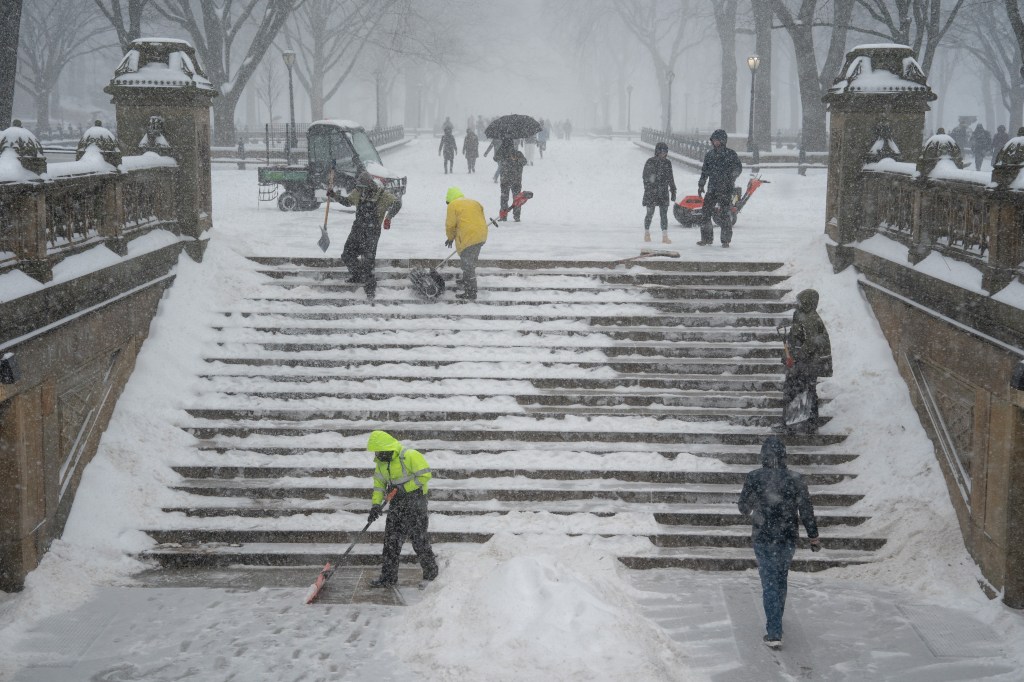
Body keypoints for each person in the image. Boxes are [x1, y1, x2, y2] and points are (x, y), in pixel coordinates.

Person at [738, 436, 821, 649]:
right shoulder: (795, 478)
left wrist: (756, 500)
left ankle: (774, 630)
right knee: (781, 578)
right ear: (784, 455)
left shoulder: (754, 477)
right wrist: (813, 535)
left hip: (763, 536)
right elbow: (806, 510)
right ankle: (777, 619)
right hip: (787, 536)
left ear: (762, 455)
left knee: (769, 582)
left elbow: (743, 508)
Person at [366, 430, 438, 587]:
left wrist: (406, 487)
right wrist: (376, 505)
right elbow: (379, 486)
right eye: (376, 452)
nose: (377, 454)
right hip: (397, 504)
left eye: (379, 451)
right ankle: (388, 578)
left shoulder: (409, 455)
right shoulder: (381, 464)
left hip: (416, 502)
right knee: (391, 542)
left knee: (419, 540)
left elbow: (425, 475)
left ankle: (432, 575)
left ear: (388, 448)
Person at [328, 171, 399, 301]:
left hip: (372, 231)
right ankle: (357, 275)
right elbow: (348, 201)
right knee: (347, 255)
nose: (360, 190)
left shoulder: (383, 195)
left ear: (369, 185)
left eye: (362, 188)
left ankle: (370, 287)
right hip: (357, 228)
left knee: (368, 260)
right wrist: (334, 196)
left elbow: (397, 203)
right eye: (359, 188)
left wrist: (388, 217)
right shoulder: (359, 192)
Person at [779, 289, 832, 434]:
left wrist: (795, 356)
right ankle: (805, 423)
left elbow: (812, 343)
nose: (798, 303)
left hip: (807, 364)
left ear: (808, 302)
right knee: (805, 391)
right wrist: (788, 355)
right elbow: (795, 338)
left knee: (796, 391)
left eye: (801, 300)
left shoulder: (810, 318)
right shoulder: (801, 315)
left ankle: (794, 423)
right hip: (804, 363)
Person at [697, 129, 743, 248]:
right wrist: (701, 184)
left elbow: (738, 168)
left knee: (725, 214)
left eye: (717, 140)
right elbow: (704, 171)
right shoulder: (710, 155)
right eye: (714, 140)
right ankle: (706, 239)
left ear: (723, 141)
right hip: (712, 188)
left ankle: (725, 240)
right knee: (706, 213)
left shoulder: (731, 154)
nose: (715, 142)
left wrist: (731, 177)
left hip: (725, 189)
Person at [444, 186, 488, 301]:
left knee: (467, 266)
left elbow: (450, 225)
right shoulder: (474, 202)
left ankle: (471, 292)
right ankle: (466, 279)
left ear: (449, 199)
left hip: (469, 236)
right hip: (481, 234)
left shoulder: (453, 205)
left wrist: (450, 237)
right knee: (471, 261)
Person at [642, 141, 677, 244]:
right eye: (662, 151)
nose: (664, 153)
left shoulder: (667, 163)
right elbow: (645, 177)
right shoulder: (650, 162)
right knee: (649, 213)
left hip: (663, 192)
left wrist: (673, 190)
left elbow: (671, 178)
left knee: (664, 214)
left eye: (665, 151)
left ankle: (665, 236)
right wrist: (649, 187)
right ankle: (647, 233)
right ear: (657, 151)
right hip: (652, 192)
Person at [499, 147, 528, 223]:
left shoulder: (518, 154)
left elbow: (524, 162)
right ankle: (503, 216)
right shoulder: (504, 154)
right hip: (505, 181)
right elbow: (496, 158)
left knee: (517, 199)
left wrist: (517, 159)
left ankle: (516, 216)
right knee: (504, 199)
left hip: (516, 181)